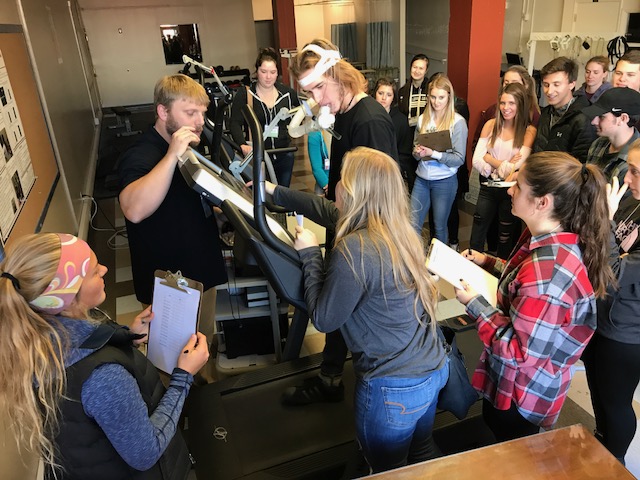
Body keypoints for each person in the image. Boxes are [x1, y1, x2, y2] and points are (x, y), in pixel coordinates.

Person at [269, 147, 447, 473]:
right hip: (432, 369)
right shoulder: (402, 231)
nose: (335, 184)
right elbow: (322, 208)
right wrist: (273, 191)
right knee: (422, 453)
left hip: (393, 388)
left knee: (383, 469)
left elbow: (325, 319)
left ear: (354, 190)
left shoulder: (355, 247)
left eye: (342, 178)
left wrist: (310, 254)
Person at [0, 233, 209, 479]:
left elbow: (90, 349)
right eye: (94, 272)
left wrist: (128, 335)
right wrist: (183, 377)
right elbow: (146, 452)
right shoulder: (102, 378)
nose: (105, 268)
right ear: (67, 299)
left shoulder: (35, 335)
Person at [455, 152, 614, 442]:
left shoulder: (549, 273)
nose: (510, 189)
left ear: (543, 202)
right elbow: (523, 282)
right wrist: (489, 262)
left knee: (509, 447)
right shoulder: (548, 238)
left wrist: (474, 304)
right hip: (520, 385)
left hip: (521, 395)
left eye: (519, 185)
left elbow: (519, 353)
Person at [283, 38, 398, 405]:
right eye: (310, 91)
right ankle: (331, 376)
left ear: (337, 73)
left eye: (319, 87)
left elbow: (380, 196)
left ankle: (350, 379)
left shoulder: (369, 121)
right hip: (347, 228)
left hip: (365, 237)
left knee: (345, 308)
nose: (317, 99)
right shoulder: (345, 116)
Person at [118, 74, 227, 348]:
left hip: (200, 269)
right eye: (190, 113)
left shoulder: (185, 149)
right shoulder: (141, 154)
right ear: (162, 111)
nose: (200, 122)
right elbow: (133, 210)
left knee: (203, 346)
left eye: (202, 113)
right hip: (172, 282)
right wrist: (170, 156)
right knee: (174, 357)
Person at [583, 139, 640, 465]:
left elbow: (614, 269)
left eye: (634, 172)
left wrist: (605, 220)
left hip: (625, 332)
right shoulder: (635, 201)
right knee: (600, 395)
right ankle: (602, 441)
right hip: (603, 314)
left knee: (616, 402)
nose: (627, 179)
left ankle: (613, 462)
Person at [469, 83, 536, 259]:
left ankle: (501, 273)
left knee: (505, 236)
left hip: (511, 191)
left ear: (520, 104)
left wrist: (491, 159)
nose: (506, 108)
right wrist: (503, 166)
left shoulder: (529, 131)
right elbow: (476, 160)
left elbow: (514, 169)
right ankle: (468, 265)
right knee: (477, 229)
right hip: (488, 188)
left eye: (511, 103)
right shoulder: (491, 125)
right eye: (503, 103)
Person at [229, 47, 300, 187]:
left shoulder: (288, 94)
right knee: (261, 195)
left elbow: (298, 119)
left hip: (284, 152)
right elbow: (235, 123)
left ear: (277, 73)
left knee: (282, 194)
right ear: (257, 71)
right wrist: (242, 144)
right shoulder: (245, 94)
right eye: (264, 72)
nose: (268, 77)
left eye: (272, 72)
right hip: (257, 155)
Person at [410, 75, 468, 241]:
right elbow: (414, 149)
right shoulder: (423, 119)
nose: (436, 102)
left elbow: (459, 158)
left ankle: (438, 265)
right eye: (433, 97)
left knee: (439, 226)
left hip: (445, 180)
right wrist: (417, 152)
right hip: (422, 179)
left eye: (441, 97)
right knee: (412, 224)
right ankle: (412, 262)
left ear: (449, 97)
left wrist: (432, 154)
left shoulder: (457, 122)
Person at [532, 57, 596, 164]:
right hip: (539, 176)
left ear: (572, 84)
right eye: (546, 85)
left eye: (556, 84)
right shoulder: (545, 113)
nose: (549, 91)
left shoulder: (584, 118)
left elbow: (580, 165)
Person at [584, 87, 640, 186]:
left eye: (601, 117)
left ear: (623, 119)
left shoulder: (635, 161)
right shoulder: (598, 144)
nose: (594, 122)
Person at [373, 77, 414, 190]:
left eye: (389, 95)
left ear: (394, 98)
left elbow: (405, 152)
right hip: (370, 171)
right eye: (380, 93)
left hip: (392, 172)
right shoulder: (366, 116)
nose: (384, 98)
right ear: (375, 93)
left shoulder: (401, 120)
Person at [398, 54, 429, 129]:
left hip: (425, 131)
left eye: (421, 68)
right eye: (414, 67)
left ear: (426, 71)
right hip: (407, 131)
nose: (417, 71)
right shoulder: (402, 91)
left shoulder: (431, 90)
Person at [306, 130, 330, 195]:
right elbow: (316, 167)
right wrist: (327, 185)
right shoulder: (314, 134)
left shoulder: (342, 130)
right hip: (323, 183)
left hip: (343, 182)